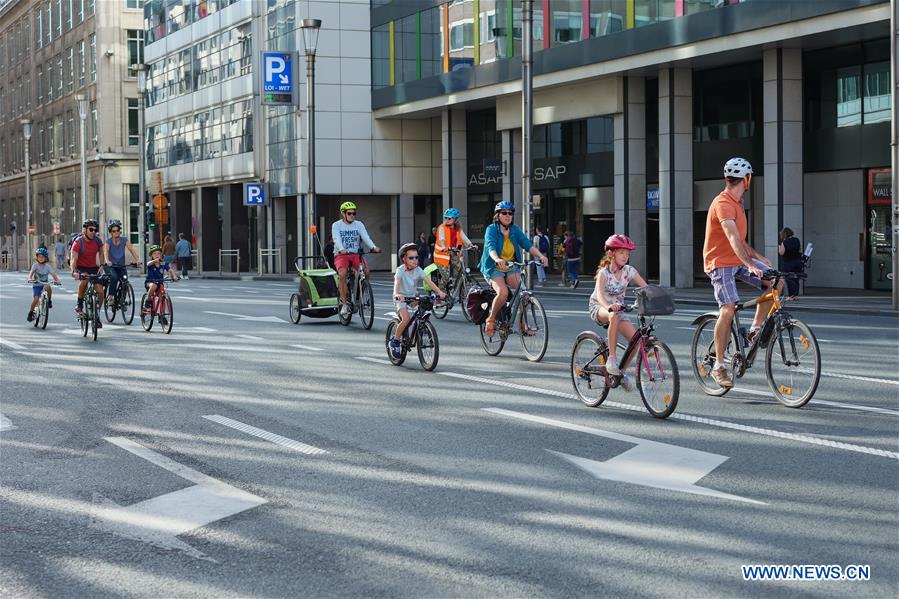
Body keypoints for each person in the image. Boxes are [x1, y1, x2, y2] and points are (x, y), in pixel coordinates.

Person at [702, 157, 774, 389]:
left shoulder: (739, 203)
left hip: (737, 259)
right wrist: (751, 264)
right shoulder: (722, 203)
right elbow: (732, 238)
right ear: (747, 179)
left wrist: (758, 257)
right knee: (728, 308)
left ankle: (754, 330)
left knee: (775, 281)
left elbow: (741, 242)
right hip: (719, 263)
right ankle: (719, 366)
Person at [479, 201, 549, 337]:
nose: (507, 215)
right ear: (498, 215)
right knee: (503, 292)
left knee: (524, 295)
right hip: (494, 267)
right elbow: (491, 247)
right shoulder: (491, 229)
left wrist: (541, 256)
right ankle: (491, 319)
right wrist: (497, 259)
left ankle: (523, 326)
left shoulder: (515, 230)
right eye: (504, 213)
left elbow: (527, 244)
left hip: (511, 266)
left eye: (510, 213)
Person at [588, 234, 648, 390]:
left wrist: (655, 297)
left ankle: (620, 373)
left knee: (636, 341)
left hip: (618, 310)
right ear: (611, 253)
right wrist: (608, 306)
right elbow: (599, 295)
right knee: (613, 316)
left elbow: (645, 287)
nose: (625, 256)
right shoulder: (604, 273)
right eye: (622, 253)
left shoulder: (629, 271)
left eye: (627, 254)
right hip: (599, 307)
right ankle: (612, 359)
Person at [389, 243, 445, 359]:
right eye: (411, 258)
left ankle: (422, 327)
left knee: (424, 307)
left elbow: (429, 282)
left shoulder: (418, 270)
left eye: (416, 257)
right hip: (401, 298)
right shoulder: (400, 270)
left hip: (413, 296)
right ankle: (395, 341)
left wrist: (439, 292)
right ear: (404, 259)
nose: (415, 260)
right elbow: (397, 284)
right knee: (406, 319)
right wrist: (398, 294)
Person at [331, 201, 381, 317]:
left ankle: (360, 294)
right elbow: (336, 239)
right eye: (349, 213)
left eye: (354, 213)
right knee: (342, 274)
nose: (352, 215)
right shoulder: (336, 225)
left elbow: (366, 237)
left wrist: (373, 247)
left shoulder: (359, 224)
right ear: (343, 214)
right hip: (341, 254)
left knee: (366, 272)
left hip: (356, 254)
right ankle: (344, 304)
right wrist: (342, 249)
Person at [70, 218, 106, 327]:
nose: (93, 232)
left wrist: (102, 265)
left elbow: (101, 253)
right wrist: (74, 272)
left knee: (100, 291)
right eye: (91, 229)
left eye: (95, 230)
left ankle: (96, 313)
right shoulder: (78, 242)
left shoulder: (98, 241)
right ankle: (79, 304)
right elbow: (73, 259)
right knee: (85, 279)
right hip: (81, 267)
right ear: (85, 230)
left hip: (93, 267)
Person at [433, 208, 476, 286]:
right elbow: (442, 239)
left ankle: (459, 288)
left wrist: (471, 245)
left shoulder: (458, 229)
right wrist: (444, 247)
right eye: (445, 218)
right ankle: (441, 292)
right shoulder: (442, 227)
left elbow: (464, 237)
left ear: (455, 219)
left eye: (449, 218)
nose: (447, 220)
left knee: (462, 271)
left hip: (453, 253)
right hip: (442, 255)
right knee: (445, 277)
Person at [103, 219, 141, 305]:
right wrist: (107, 260)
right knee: (114, 277)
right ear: (110, 233)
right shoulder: (108, 241)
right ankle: (110, 296)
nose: (116, 232)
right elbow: (106, 252)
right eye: (114, 231)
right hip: (110, 266)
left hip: (121, 266)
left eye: (118, 230)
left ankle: (122, 300)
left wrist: (137, 259)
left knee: (125, 280)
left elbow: (131, 249)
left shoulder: (124, 240)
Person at [143, 244, 179, 325]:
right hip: (150, 282)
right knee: (153, 286)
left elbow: (170, 270)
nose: (157, 255)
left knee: (163, 294)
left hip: (160, 282)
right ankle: (148, 300)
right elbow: (148, 264)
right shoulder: (151, 263)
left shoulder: (162, 263)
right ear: (151, 255)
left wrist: (174, 276)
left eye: (159, 253)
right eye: (155, 254)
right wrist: (154, 261)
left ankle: (161, 315)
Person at [27, 247, 61, 321]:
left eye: (42, 257)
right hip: (36, 285)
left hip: (44, 284)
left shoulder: (48, 266)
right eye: (39, 256)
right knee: (36, 299)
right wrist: (29, 278)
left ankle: (49, 300)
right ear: (37, 257)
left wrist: (57, 280)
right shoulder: (35, 265)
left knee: (48, 286)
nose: (41, 258)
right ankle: (31, 312)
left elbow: (53, 274)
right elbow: (31, 273)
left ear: (46, 258)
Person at [778, 227, 802, 298]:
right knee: (796, 278)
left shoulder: (784, 242)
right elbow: (799, 249)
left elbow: (781, 252)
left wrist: (779, 246)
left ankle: (791, 295)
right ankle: (795, 295)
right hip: (797, 262)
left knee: (789, 279)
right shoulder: (796, 240)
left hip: (788, 263)